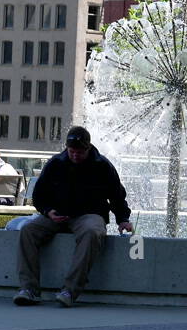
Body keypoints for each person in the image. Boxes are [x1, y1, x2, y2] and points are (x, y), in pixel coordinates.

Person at [13, 126, 133, 308]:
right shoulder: (55, 163)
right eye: (71, 151)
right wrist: (48, 211)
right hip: (57, 214)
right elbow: (39, 195)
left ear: (88, 148)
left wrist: (123, 219)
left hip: (89, 215)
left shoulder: (103, 165)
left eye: (79, 152)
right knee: (28, 231)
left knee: (93, 232)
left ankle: (70, 290)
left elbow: (117, 194)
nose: (75, 155)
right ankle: (28, 289)